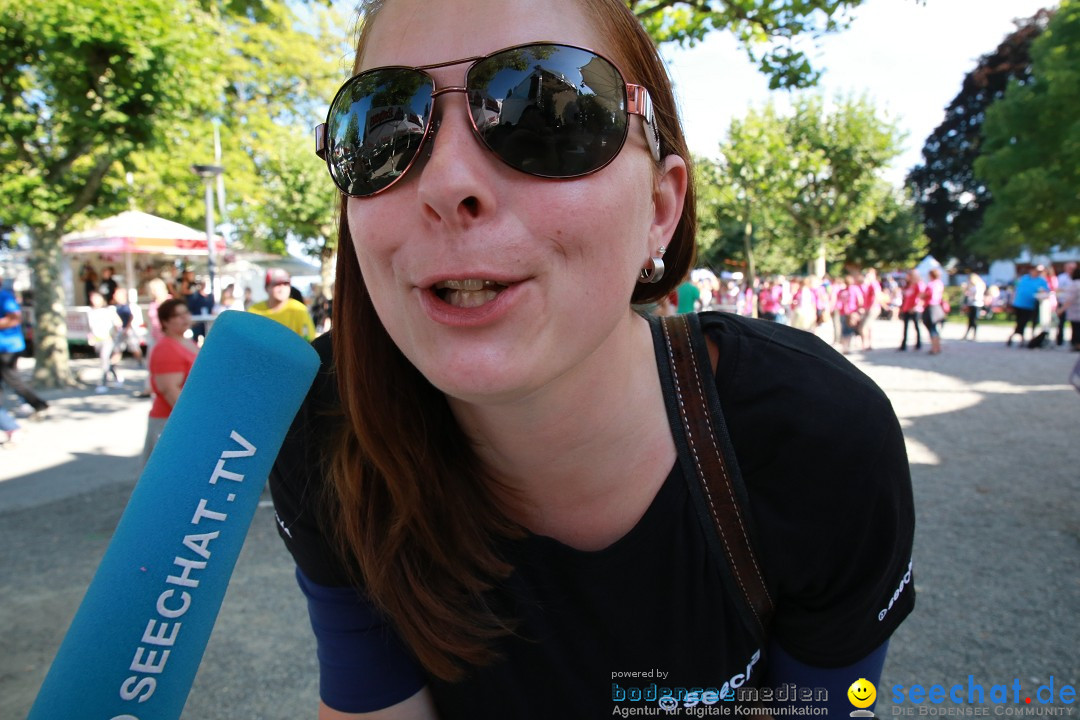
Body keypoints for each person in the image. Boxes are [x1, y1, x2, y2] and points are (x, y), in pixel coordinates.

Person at [269, 2, 915, 718]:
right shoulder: (323, 422)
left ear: (660, 209)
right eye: (382, 127)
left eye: (547, 118)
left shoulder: (818, 435)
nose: (448, 183)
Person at [140, 298, 198, 466]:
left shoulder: (187, 342)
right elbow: (169, 390)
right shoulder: (166, 348)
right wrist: (192, 420)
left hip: (180, 419)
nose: (184, 318)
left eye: (185, 313)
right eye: (177, 315)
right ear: (165, 321)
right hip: (169, 421)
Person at [0, 270, 49, 418]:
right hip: (6, 346)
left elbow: (15, 318)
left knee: (13, 380)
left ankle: (38, 404)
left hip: (8, 347)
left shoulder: (4, 296)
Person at [247, 268, 315, 340]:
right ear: (266, 288)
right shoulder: (254, 311)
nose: (282, 288)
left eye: (286, 284)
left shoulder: (299, 310)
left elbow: (308, 340)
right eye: (277, 284)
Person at [86, 291, 123, 393]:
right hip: (97, 340)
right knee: (106, 361)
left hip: (108, 339)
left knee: (104, 359)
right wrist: (90, 337)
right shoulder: (91, 311)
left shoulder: (109, 310)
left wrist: (115, 334)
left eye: (97, 298)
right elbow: (89, 327)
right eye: (93, 298)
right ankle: (116, 376)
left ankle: (103, 383)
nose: (94, 300)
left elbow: (118, 323)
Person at [1006, 265, 1050, 347]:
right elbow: (1017, 287)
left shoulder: (1041, 281)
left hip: (1030, 305)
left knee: (1024, 322)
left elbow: (1045, 292)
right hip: (1019, 303)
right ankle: (1019, 337)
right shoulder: (1024, 278)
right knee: (1019, 322)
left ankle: (1018, 337)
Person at [111, 287, 145, 368]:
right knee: (117, 348)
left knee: (134, 347)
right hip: (121, 330)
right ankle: (112, 365)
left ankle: (140, 362)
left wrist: (127, 328)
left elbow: (131, 317)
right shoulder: (117, 306)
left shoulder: (127, 306)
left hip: (128, 330)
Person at [898, 268, 924, 351]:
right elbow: (905, 297)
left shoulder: (919, 285)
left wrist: (915, 307)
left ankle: (918, 344)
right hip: (906, 308)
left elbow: (921, 297)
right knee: (905, 327)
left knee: (916, 326)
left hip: (915, 309)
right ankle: (904, 345)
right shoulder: (908, 286)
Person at [921, 268, 946, 355]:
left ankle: (934, 348)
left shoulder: (931, 284)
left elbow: (926, 294)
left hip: (930, 307)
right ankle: (937, 347)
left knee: (931, 328)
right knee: (934, 328)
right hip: (937, 307)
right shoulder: (940, 283)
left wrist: (922, 295)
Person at [858, 268, 882, 350]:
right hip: (869, 307)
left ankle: (865, 344)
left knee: (863, 327)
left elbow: (877, 296)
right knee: (868, 326)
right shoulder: (869, 284)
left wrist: (871, 307)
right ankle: (869, 344)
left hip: (872, 308)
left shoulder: (874, 284)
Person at [1058, 263, 1080, 352]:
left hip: (1075, 310)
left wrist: (1061, 309)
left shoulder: (1075, 284)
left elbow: (1069, 300)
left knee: (1076, 328)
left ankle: (1077, 344)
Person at [1055, 261, 1076, 347]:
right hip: (1063, 302)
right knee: (1061, 323)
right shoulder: (1061, 277)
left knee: (1075, 324)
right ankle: (1059, 341)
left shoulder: (1076, 278)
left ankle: (1074, 342)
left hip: (1074, 305)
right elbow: (1058, 289)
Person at [961, 273, 986, 340]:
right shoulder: (973, 286)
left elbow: (976, 296)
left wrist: (969, 293)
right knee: (970, 320)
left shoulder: (977, 286)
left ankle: (974, 335)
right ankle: (968, 334)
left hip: (976, 304)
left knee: (973, 320)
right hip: (972, 304)